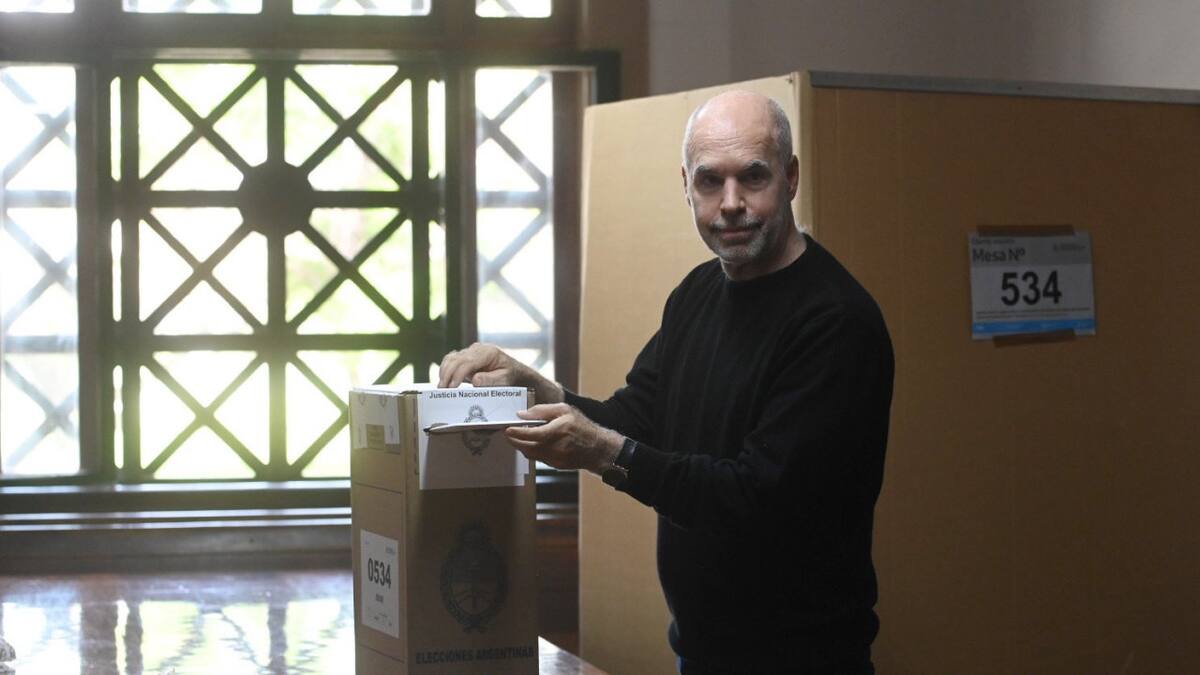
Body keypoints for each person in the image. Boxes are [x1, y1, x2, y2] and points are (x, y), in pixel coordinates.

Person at [438, 90, 894, 674]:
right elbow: (638, 418)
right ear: (686, 184)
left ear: (791, 178)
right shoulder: (697, 293)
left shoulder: (835, 323)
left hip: (803, 659)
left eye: (753, 177)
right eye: (710, 182)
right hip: (701, 653)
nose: (731, 203)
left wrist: (601, 452)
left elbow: (753, 499)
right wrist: (539, 391)